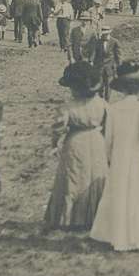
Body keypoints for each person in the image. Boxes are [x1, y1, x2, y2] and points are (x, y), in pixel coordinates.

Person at [90, 61, 139, 252]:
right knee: (136, 192)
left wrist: (108, 157)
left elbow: (108, 137)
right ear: (138, 89)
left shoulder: (113, 109)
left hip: (120, 155)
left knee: (118, 191)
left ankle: (115, 234)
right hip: (137, 155)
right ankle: (134, 236)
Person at [44, 62, 108, 230]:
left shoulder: (68, 106)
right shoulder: (101, 103)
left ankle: (72, 218)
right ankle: (95, 215)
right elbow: (109, 125)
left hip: (76, 142)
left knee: (73, 179)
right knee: (95, 176)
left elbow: (58, 128)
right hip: (97, 141)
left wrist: (54, 142)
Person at [87, 26, 121, 102]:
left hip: (110, 68)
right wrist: (90, 61)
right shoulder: (98, 42)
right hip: (99, 67)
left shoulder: (115, 42)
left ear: (109, 33)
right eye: (103, 34)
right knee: (100, 86)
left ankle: (107, 102)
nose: (104, 36)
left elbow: (118, 56)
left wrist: (119, 67)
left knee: (109, 86)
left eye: (106, 34)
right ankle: (101, 99)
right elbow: (93, 52)